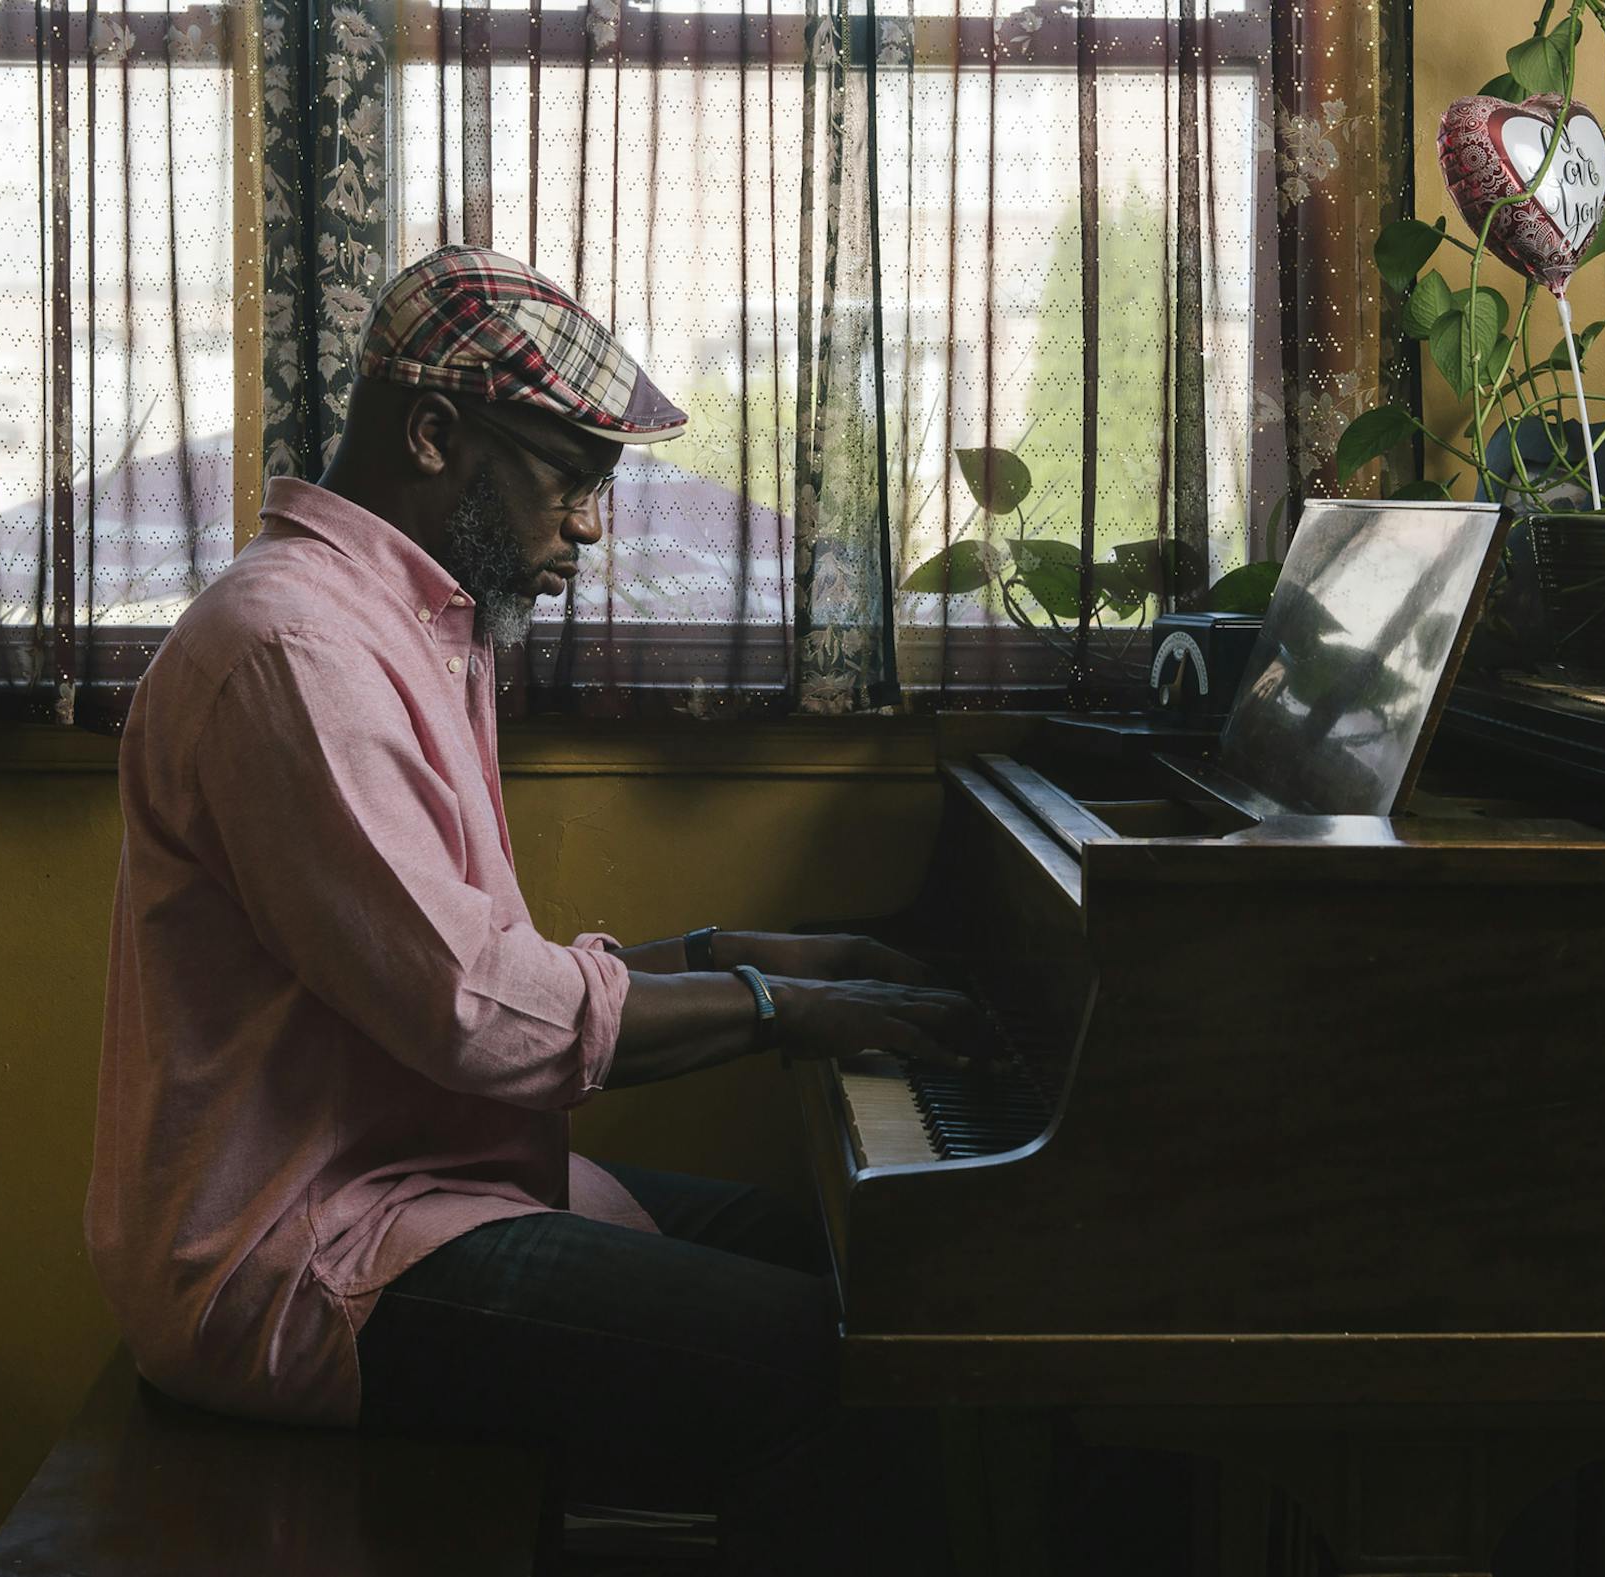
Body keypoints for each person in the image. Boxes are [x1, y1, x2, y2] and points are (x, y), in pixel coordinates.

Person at [84, 245, 983, 1567]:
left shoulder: (395, 626)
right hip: (298, 1255)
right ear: (436, 436)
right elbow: (473, 1013)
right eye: (570, 479)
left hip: (421, 1186)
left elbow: (469, 966)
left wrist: (736, 954)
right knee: (829, 1358)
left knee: (859, 1264)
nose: (592, 527)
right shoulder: (297, 651)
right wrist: (775, 1004)